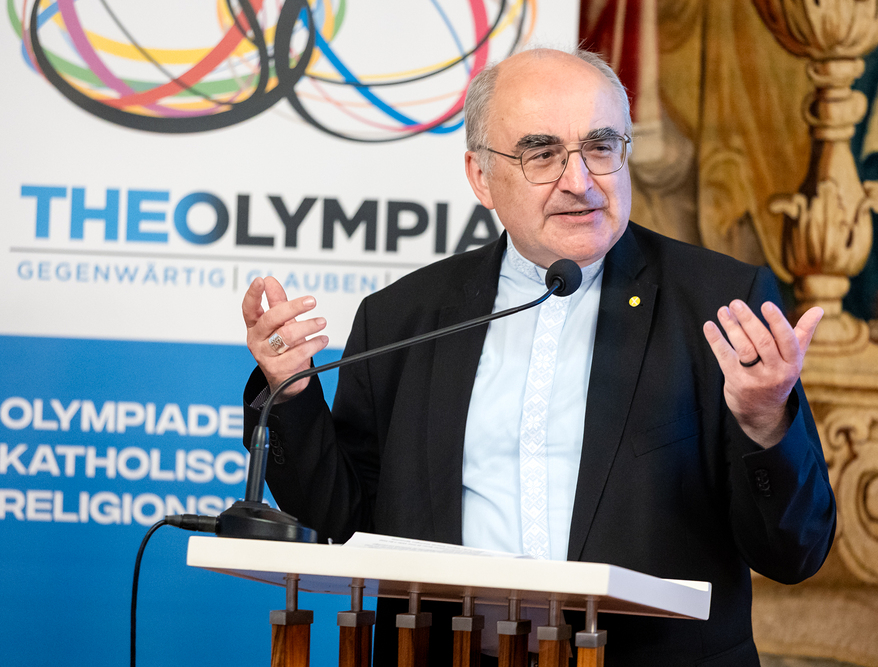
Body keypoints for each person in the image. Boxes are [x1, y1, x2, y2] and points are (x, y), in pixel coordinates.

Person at [241, 48, 835, 666]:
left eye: (600, 147)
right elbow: (342, 521)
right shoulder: (404, 317)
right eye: (542, 154)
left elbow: (795, 553)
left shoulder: (720, 305)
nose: (580, 181)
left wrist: (766, 423)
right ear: (480, 176)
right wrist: (292, 392)